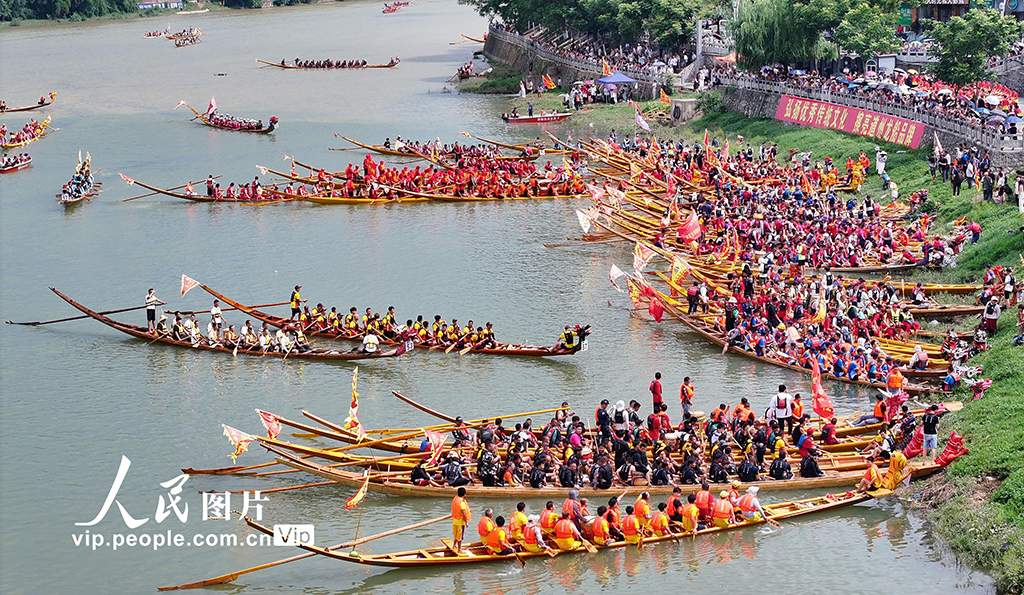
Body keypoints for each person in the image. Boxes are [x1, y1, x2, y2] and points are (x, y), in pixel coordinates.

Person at [451, 487, 471, 553]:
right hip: (460, 522)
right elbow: (464, 513)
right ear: (464, 494)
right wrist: (466, 522)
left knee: (455, 534)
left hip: (455, 521)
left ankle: (454, 546)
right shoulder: (462, 503)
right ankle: (460, 549)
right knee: (460, 536)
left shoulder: (455, 499)